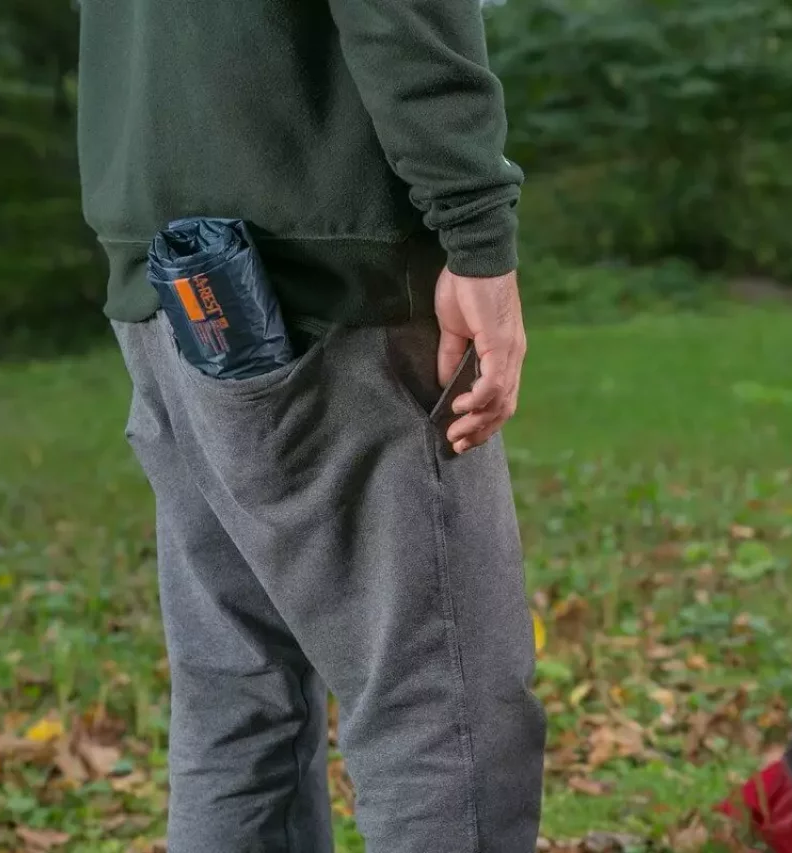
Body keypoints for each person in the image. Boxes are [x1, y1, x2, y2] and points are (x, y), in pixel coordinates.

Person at [75, 1, 545, 851]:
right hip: (328, 287)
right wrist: (476, 229)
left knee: (239, 700)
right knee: (441, 712)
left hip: (160, 278)